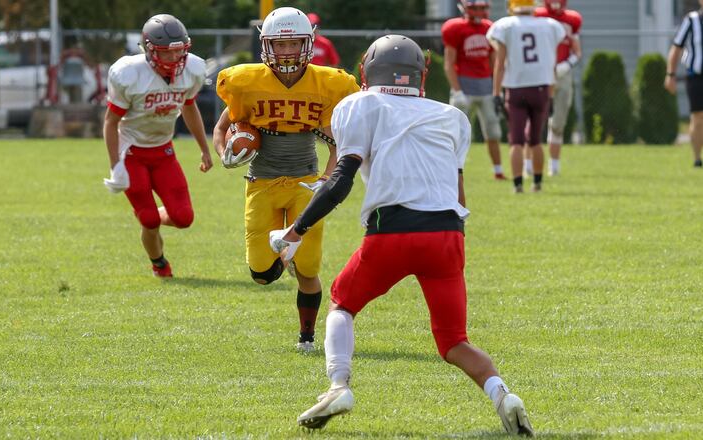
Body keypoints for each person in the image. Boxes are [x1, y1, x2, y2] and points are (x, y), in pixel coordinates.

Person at [269, 35, 534, 436]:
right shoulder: (451, 116)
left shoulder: (359, 104)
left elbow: (341, 180)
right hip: (447, 235)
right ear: (421, 75)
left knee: (342, 304)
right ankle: (503, 394)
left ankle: (338, 386)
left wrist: (296, 230)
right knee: (453, 341)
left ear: (365, 71)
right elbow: (458, 194)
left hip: (392, 231)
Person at [212, 7, 359, 352]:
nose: (288, 51)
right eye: (281, 45)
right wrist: (224, 154)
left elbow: (339, 141)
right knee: (261, 273)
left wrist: (328, 177)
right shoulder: (245, 83)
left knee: (308, 269)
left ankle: (307, 337)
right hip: (261, 181)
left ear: (309, 44)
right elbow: (221, 128)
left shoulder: (328, 84)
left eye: (295, 43)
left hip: (305, 183)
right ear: (267, 47)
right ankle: (282, 259)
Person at [102, 14, 213, 278]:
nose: (175, 59)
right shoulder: (129, 73)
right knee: (149, 221)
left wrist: (204, 148)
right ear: (150, 51)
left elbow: (189, 107)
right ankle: (160, 264)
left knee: (184, 218)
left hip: (163, 151)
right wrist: (115, 165)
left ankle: (153, 212)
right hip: (132, 152)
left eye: (179, 52)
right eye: (167, 53)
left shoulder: (192, 70)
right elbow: (110, 122)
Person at [487, 0, 565, 193]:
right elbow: (551, 64)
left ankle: (518, 185)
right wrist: (552, 94)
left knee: (516, 141)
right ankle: (537, 183)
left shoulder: (506, 25)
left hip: (516, 88)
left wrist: (496, 93)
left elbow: (500, 63)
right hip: (541, 88)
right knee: (536, 140)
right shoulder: (549, 25)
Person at [442, 0, 506, 180]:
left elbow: (495, 63)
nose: (479, 12)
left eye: (482, 8)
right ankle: (450, 171)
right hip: (464, 88)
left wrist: (497, 90)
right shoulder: (455, 28)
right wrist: (457, 90)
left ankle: (498, 170)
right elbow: (449, 64)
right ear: (465, 8)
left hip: (486, 88)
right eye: (475, 8)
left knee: (493, 131)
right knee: (455, 133)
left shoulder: (490, 28)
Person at [535, 0, 583, 176]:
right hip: (539, 74)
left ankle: (553, 167)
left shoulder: (572, 19)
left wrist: (567, 65)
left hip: (562, 74)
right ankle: (527, 165)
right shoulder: (536, 16)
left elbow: (577, 52)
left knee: (558, 123)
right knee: (533, 122)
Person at [665, 0, 703, 168]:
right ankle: (697, 158)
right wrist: (670, 74)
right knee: (698, 117)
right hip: (696, 76)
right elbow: (676, 48)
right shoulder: (691, 20)